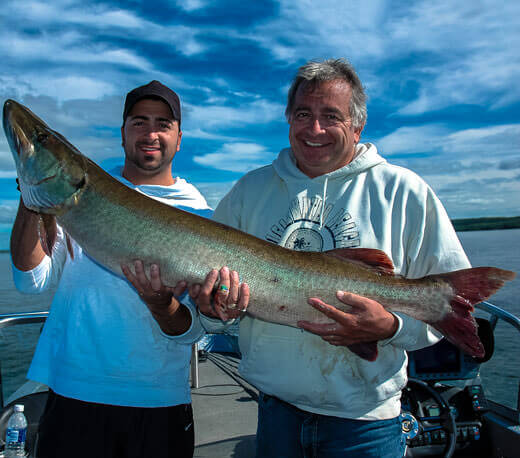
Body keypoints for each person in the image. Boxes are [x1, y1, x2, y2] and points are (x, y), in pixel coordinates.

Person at [187, 59, 472, 457]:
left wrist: (389, 326)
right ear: (288, 119)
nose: (314, 128)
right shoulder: (248, 192)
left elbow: (445, 310)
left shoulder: (404, 191)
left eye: (330, 116)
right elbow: (213, 306)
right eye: (303, 114)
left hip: (366, 423)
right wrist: (215, 306)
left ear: (357, 126)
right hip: (274, 412)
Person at [10, 80, 211, 458]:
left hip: (159, 402)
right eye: (139, 122)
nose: (150, 133)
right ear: (122, 133)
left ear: (179, 138)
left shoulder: (204, 214)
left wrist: (159, 304)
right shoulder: (75, 195)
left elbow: (196, 330)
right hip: (72, 394)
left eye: (162, 123)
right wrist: (30, 197)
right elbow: (30, 279)